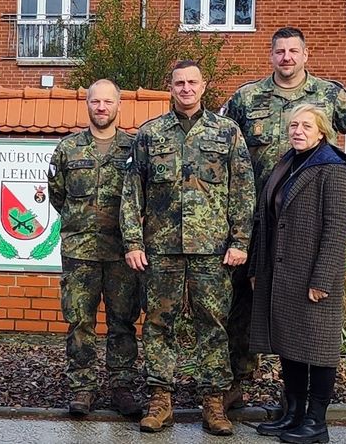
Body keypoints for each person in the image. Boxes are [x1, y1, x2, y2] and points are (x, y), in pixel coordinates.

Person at [221, 27, 346, 409]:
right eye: (280, 51)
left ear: (306, 55)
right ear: (271, 55)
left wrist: (343, 185)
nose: (287, 58)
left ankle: (294, 399)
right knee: (244, 304)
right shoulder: (247, 98)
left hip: (304, 223)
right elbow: (221, 146)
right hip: (255, 221)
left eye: (294, 51)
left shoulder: (330, 95)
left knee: (300, 309)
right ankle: (237, 382)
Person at [121, 60, 255, 436]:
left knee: (212, 326)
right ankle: (160, 400)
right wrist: (133, 241)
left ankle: (213, 403)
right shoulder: (150, 134)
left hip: (212, 250)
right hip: (161, 249)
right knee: (159, 324)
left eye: (192, 82)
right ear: (171, 87)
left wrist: (240, 241)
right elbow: (133, 194)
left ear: (203, 85)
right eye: (179, 83)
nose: (186, 88)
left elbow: (243, 191)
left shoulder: (227, 132)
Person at [249, 104, 346, 443]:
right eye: (294, 125)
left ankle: (316, 423)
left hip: (313, 275)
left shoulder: (333, 169)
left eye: (306, 126)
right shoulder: (288, 163)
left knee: (319, 349)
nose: (297, 131)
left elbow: (337, 229)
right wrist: (256, 267)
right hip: (282, 271)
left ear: (322, 131)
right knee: (290, 345)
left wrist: (322, 279)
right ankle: (293, 414)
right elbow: (266, 219)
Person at [47, 79, 141, 416]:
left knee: (122, 323)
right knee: (80, 322)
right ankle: (82, 389)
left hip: (121, 252)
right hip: (80, 252)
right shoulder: (67, 149)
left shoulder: (134, 148)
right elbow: (58, 195)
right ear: (87, 104)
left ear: (119, 105)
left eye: (107, 102)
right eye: (95, 102)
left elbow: (140, 199)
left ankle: (122, 387)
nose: (101, 107)